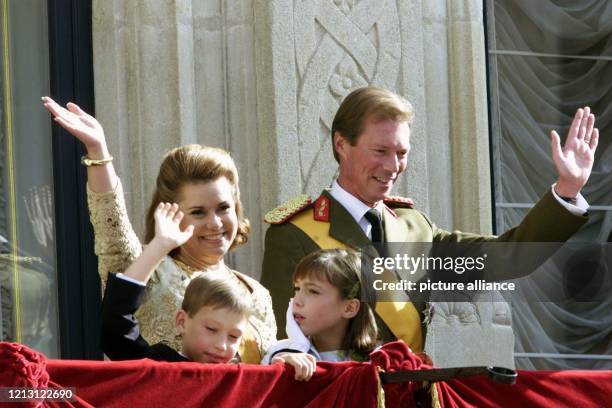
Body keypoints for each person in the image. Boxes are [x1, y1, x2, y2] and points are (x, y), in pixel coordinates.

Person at [261, 86, 599, 348]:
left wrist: (565, 191)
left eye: (401, 153)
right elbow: (284, 343)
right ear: (341, 145)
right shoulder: (295, 233)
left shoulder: (414, 227)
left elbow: (509, 258)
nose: (393, 167)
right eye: (380, 151)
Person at [42, 97, 276, 363]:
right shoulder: (147, 269)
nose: (215, 223)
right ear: (171, 214)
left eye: (223, 208)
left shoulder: (257, 293)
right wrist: (99, 153)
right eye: (198, 212)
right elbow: (112, 227)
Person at [262, 248, 378, 381]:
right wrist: (294, 352)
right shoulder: (280, 354)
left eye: (313, 291)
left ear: (349, 308)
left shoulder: (379, 360)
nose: (297, 301)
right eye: (297, 289)